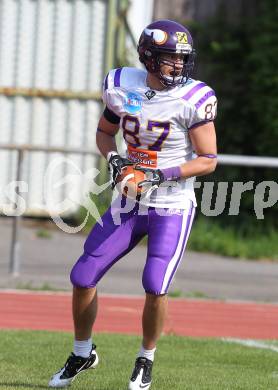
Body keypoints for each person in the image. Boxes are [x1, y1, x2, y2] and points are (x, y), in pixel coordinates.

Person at [48, 19, 217, 390]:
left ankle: (146, 358)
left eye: (182, 58)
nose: (179, 65)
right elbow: (105, 133)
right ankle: (82, 352)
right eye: (171, 58)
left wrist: (161, 174)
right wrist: (112, 159)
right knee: (82, 275)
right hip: (128, 201)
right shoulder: (121, 85)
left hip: (171, 203)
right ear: (148, 57)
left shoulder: (193, 97)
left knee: (155, 284)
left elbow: (208, 159)